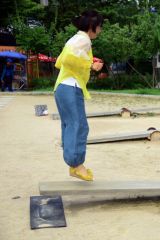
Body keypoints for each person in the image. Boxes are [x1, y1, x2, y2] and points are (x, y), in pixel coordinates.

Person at [54, 10, 104, 181]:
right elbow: (67, 58)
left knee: (69, 125)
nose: (101, 30)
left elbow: (59, 61)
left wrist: (87, 60)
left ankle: (73, 166)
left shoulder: (74, 38)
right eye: (100, 26)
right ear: (93, 27)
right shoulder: (84, 40)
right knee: (80, 126)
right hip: (71, 87)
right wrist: (91, 65)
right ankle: (77, 165)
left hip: (61, 87)